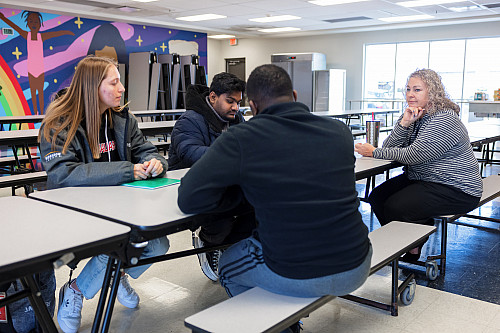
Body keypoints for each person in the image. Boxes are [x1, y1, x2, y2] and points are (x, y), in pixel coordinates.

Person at [177, 64, 372, 332]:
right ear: (293, 94)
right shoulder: (338, 131)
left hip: (299, 272)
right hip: (358, 263)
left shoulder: (243, 138)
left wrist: (240, 192)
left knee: (227, 267)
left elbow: (188, 198)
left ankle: (283, 327)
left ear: (253, 106)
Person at [39, 55, 169, 333]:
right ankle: (76, 291)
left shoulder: (122, 118)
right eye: (115, 82)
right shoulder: (58, 124)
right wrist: (127, 171)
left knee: (159, 245)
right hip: (75, 212)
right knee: (120, 245)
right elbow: (63, 174)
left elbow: (146, 150)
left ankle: (112, 275)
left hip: (122, 207)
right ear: (92, 88)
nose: (122, 88)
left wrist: (157, 162)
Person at [355, 68, 482, 261]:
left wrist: (373, 151)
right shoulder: (413, 114)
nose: (410, 94)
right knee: (378, 197)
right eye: (408, 89)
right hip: (424, 179)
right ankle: (410, 240)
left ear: (432, 92)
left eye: (417, 89)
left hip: (457, 187)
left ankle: (413, 245)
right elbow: (390, 147)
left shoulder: (444, 119)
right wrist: (404, 123)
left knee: (397, 207)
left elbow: (414, 155)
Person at [168, 72, 253, 282]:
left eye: (238, 102)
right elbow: (190, 152)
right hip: (188, 185)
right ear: (213, 97)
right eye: (230, 101)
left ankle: (228, 251)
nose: (236, 107)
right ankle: (208, 242)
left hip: (223, 181)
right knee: (222, 217)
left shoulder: (236, 119)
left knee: (255, 208)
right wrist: (233, 157)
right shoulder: (190, 120)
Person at [0, 11, 74, 115]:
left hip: (40, 69)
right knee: (33, 93)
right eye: (31, 21)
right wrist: (3, 18)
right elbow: (15, 27)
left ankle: (42, 113)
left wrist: (67, 32)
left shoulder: (41, 37)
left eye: (36, 21)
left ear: (40, 24)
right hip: (31, 69)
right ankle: (34, 113)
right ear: (28, 24)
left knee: (40, 93)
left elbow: (54, 34)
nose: (34, 24)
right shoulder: (27, 35)